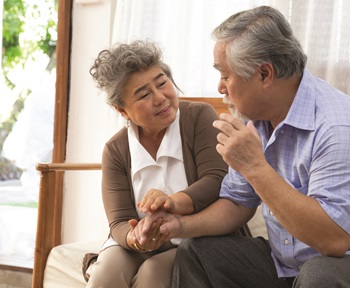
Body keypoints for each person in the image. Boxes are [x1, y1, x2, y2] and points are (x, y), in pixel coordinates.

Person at [135, 5, 350, 288]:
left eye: (225, 75)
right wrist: (180, 225)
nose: (220, 87)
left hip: (337, 264)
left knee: (319, 276)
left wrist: (254, 165)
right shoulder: (255, 120)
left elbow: (333, 240)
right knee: (198, 252)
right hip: (283, 265)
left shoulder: (335, 126)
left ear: (264, 74)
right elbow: (237, 202)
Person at [84, 40, 228, 288]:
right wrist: (137, 238)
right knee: (106, 273)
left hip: (194, 239)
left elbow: (216, 179)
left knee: (153, 272)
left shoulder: (199, 117)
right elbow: (119, 222)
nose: (161, 97)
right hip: (138, 244)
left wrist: (171, 202)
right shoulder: (115, 149)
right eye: (143, 94)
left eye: (162, 83)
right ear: (123, 110)